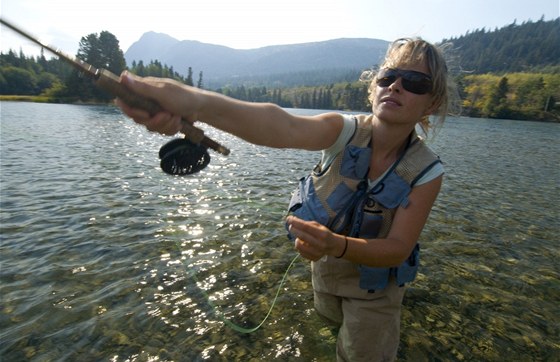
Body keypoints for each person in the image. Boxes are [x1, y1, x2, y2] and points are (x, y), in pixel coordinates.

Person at [116, 37, 454, 362]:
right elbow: (281, 125)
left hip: (375, 292)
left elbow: (398, 248)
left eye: (414, 82)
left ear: (432, 102)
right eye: (388, 76)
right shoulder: (343, 131)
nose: (395, 86)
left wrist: (334, 245)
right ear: (374, 86)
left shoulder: (426, 171)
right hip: (325, 272)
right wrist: (193, 103)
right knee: (328, 331)